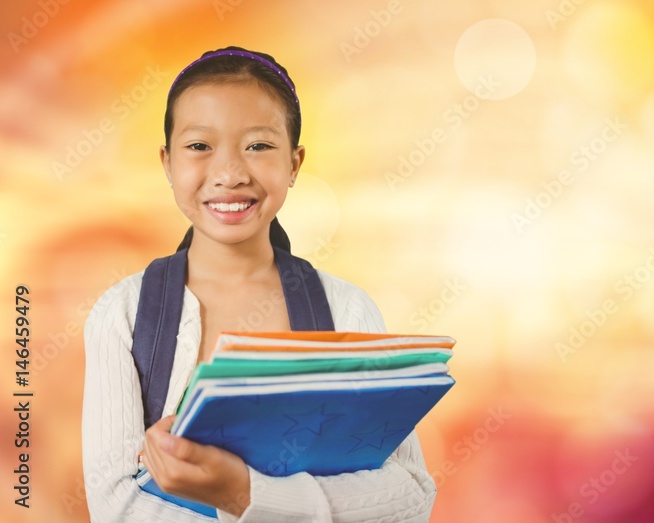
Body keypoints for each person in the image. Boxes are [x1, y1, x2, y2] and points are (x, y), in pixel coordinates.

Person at [82, 46, 437, 522]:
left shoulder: (346, 310)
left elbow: (410, 496)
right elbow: (114, 507)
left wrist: (243, 495)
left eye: (259, 146)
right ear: (167, 163)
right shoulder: (124, 314)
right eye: (199, 146)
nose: (229, 174)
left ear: (294, 163)